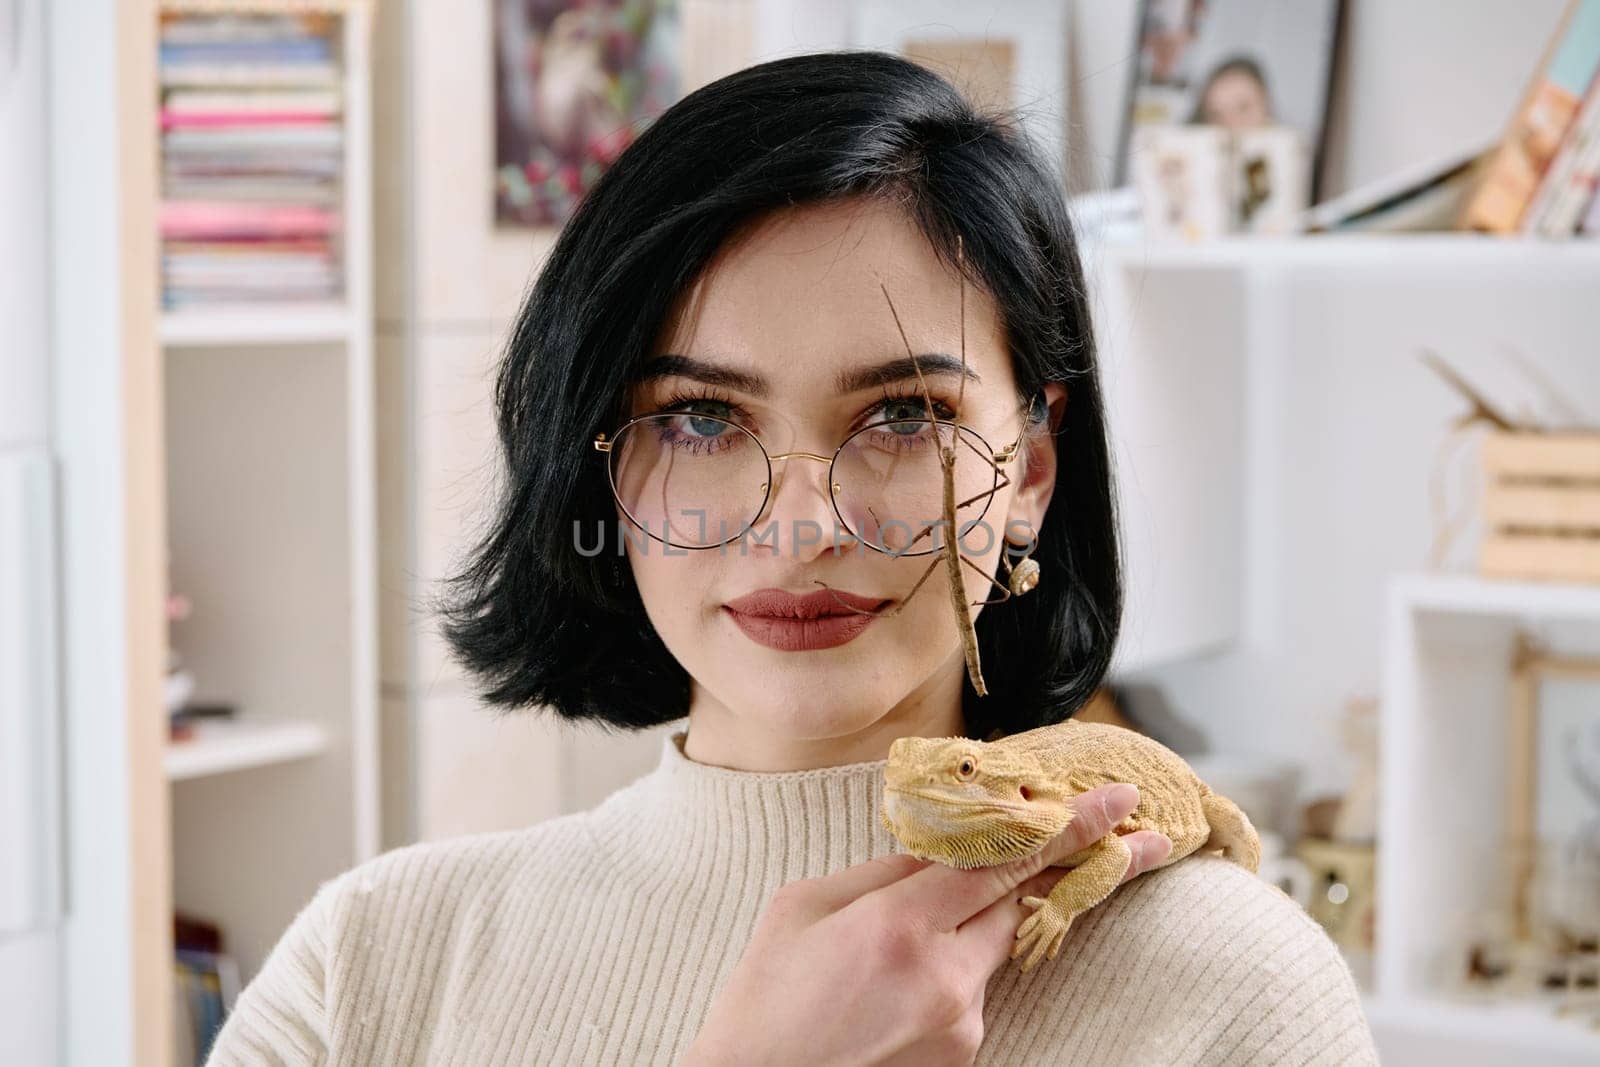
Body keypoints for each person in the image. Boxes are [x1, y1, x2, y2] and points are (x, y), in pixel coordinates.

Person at [206, 50, 1377, 1065]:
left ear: (1028, 469)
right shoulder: (370, 963)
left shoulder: (1231, 990)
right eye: (703, 419)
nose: (804, 525)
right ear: (601, 467)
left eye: (904, 416)